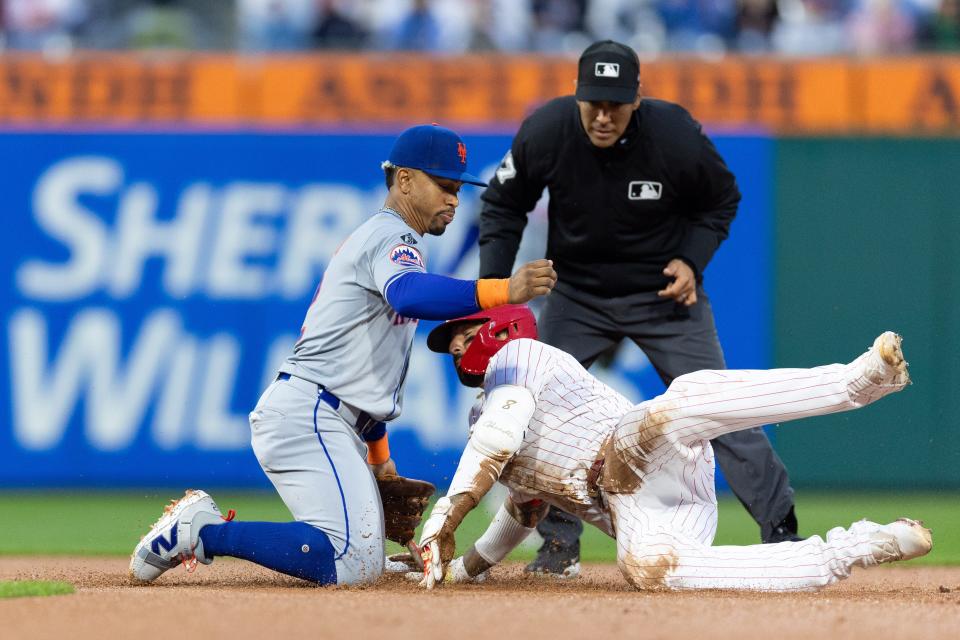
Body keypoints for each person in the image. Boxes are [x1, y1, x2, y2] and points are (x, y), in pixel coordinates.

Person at [129, 124, 558, 587]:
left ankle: (246, 538)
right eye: (445, 186)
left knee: (361, 560)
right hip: (310, 414)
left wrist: (379, 459)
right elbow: (410, 295)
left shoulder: (393, 243)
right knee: (351, 561)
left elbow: (361, 374)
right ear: (406, 180)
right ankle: (201, 533)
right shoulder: (391, 237)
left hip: (324, 414)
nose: (455, 200)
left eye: (458, 190)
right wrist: (501, 290)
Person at [478, 39, 800, 578]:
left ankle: (783, 532)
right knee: (537, 409)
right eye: (593, 103)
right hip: (577, 295)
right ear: (577, 96)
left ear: (638, 99)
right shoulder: (548, 130)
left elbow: (722, 198)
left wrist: (692, 262)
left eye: (616, 104)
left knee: (720, 408)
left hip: (663, 296)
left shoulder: (673, 134)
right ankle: (559, 546)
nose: (603, 116)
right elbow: (503, 204)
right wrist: (494, 287)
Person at [412, 305, 930, 591]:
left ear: (500, 324)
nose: (456, 345)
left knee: (676, 404)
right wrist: (462, 568)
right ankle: (857, 548)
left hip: (638, 449)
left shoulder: (521, 355)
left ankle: (857, 382)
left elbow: (498, 440)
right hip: (645, 509)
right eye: (451, 341)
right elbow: (523, 510)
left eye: (465, 331)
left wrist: (442, 523)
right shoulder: (483, 413)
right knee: (648, 569)